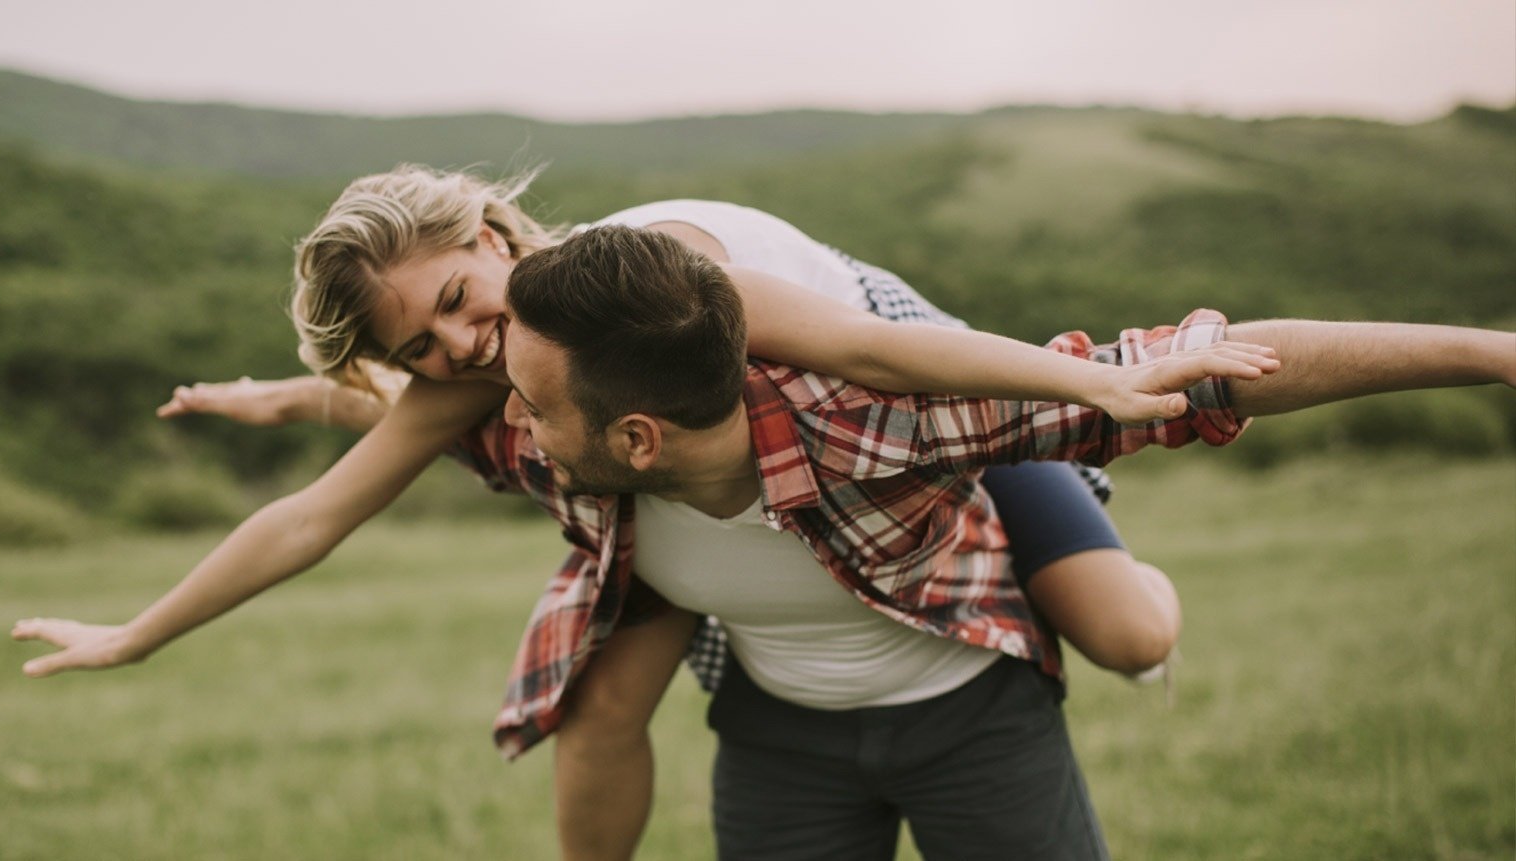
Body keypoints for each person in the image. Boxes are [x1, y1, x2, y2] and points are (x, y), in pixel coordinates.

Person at [13, 167, 1254, 857]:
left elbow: (880, 357)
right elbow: (312, 517)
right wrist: (136, 631)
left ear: (499, 232)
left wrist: (1090, 376)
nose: (463, 342)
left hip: (943, 415)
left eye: (458, 293)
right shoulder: (486, 373)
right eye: (424, 341)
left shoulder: (658, 274)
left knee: (1127, 637)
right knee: (600, 697)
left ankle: (1128, 573)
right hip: (724, 497)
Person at [468, 224, 1513, 859]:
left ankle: (1106, 564)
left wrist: (1492, 352)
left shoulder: (884, 422)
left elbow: (1217, 366)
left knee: (1131, 632)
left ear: (639, 438)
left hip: (971, 714)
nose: (509, 423)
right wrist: (300, 397)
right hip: (776, 741)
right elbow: (395, 412)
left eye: (527, 405)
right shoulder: (566, 453)